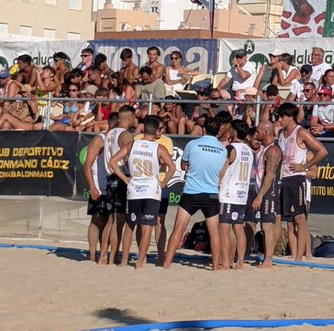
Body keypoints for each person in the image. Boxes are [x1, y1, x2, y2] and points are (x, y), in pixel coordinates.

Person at [108, 115, 175, 270]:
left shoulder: (132, 144)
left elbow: (113, 162)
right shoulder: (159, 147)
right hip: (151, 190)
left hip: (135, 189)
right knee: (147, 227)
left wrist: (125, 178)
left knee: (130, 225)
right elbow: (172, 167)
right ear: (157, 131)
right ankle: (139, 263)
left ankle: (124, 261)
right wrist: (164, 182)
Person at [162, 118, 228, 269]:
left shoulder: (192, 144)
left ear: (204, 130)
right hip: (211, 193)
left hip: (192, 191)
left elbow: (183, 164)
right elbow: (220, 171)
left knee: (178, 228)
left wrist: (190, 167)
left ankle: (166, 263)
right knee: (214, 232)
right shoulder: (222, 149)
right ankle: (216, 267)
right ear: (218, 132)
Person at [82, 106, 136, 265]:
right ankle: (98, 255)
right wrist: (92, 186)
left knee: (109, 220)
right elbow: (87, 164)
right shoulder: (102, 138)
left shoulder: (110, 136)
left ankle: (104, 255)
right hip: (105, 182)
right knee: (101, 220)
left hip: (110, 179)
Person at [276, 102, 328, 262]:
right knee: (287, 222)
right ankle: (293, 254)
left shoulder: (301, 132)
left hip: (296, 180)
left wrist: (304, 166)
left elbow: (322, 151)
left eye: (281, 116)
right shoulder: (281, 134)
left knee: (300, 219)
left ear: (290, 117)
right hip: (283, 179)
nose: (279, 120)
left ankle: (301, 256)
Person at [217, 120, 254, 270]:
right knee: (239, 228)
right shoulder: (249, 150)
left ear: (235, 132)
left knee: (224, 229)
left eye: (231, 130)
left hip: (228, 193)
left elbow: (223, 170)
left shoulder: (231, 148)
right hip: (242, 193)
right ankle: (240, 263)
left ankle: (226, 262)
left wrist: (216, 183)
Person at [250, 122, 283, 268]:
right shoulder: (265, 149)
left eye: (258, 132)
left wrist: (260, 196)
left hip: (269, 191)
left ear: (266, 133)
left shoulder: (273, 151)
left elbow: (270, 176)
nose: (256, 134)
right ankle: (268, 258)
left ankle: (268, 260)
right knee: (267, 225)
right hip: (264, 190)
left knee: (267, 225)